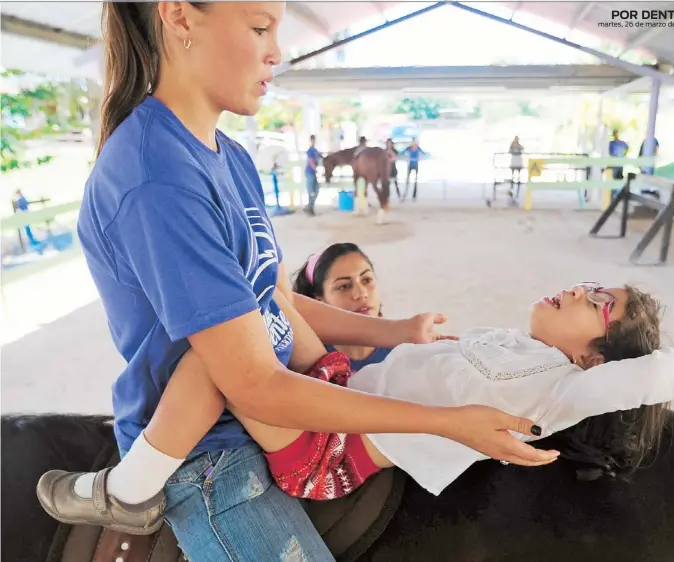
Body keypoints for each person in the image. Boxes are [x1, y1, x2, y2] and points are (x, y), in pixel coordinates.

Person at [35, 4, 556, 559]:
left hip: (282, 404)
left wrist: (397, 331)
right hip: (216, 453)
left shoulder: (229, 157)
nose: (276, 52)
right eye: (260, 28)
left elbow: (279, 300)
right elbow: (253, 382)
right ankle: (136, 492)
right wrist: (444, 425)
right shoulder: (156, 177)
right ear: (181, 18)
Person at [112, 280, 674, 501]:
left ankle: (129, 489)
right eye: (591, 286)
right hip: (343, 385)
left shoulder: (558, 394)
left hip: (329, 452)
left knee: (214, 359)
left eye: (600, 305)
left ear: (593, 360)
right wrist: (402, 333)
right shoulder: (513, 343)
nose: (580, 290)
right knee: (267, 297)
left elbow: (652, 376)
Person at [293, 243, 393, 372]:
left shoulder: (403, 349)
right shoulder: (310, 359)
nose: (361, 294)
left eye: (367, 280)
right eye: (344, 286)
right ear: (319, 301)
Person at [305, 134, 321, 216]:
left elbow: (320, 157)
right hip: (310, 172)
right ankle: (310, 207)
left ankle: (310, 206)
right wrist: (315, 169)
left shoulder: (315, 150)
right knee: (311, 190)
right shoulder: (310, 150)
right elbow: (311, 161)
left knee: (316, 189)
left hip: (313, 172)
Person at [509, 136, 524, 202]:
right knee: (513, 172)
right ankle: (512, 182)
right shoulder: (512, 146)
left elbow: (522, 150)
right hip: (514, 159)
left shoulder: (519, 146)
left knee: (518, 172)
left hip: (518, 160)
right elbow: (510, 151)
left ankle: (518, 181)